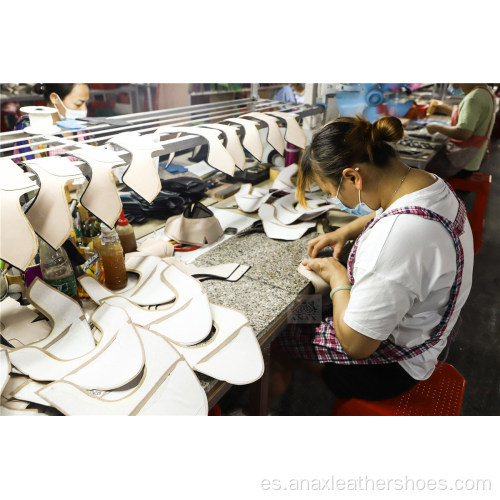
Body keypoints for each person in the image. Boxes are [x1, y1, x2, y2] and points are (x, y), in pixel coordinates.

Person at [270, 115, 474, 404]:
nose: (336, 200)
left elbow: (356, 345)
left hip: (392, 367)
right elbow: (388, 209)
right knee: (302, 311)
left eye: (332, 193)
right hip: (426, 333)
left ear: (353, 177)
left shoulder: (396, 240)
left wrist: (338, 277)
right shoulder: (425, 184)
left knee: (276, 341)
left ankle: (263, 403)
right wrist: (347, 230)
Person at [425, 84, 496, 178]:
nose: (453, 84)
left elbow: (463, 133)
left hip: (463, 165)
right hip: (473, 160)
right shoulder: (485, 92)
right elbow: (471, 116)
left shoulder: (473, 98)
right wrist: (445, 108)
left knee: (421, 167)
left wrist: (437, 127)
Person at [13, 83, 91, 162]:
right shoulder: (29, 125)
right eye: (79, 104)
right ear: (54, 98)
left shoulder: (80, 125)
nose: (84, 109)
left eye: (86, 103)